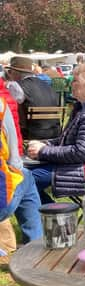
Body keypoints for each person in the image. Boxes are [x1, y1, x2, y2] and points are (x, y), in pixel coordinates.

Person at [27, 62, 85, 204]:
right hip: (75, 166)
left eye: (75, 81)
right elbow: (67, 141)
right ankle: (54, 219)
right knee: (22, 177)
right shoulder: (83, 107)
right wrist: (45, 144)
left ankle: (55, 219)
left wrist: (43, 151)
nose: (71, 84)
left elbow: (81, 152)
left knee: (24, 181)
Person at [0, 96, 42, 248]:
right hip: (2, 199)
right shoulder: (1, 106)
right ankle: (35, 248)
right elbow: (14, 160)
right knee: (26, 176)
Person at [5, 56, 60, 140]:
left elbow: (10, 109)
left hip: (30, 133)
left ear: (17, 72)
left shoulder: (16, 86)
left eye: (10, 71)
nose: (9, 74)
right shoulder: (47, 85)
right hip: (55, 132)